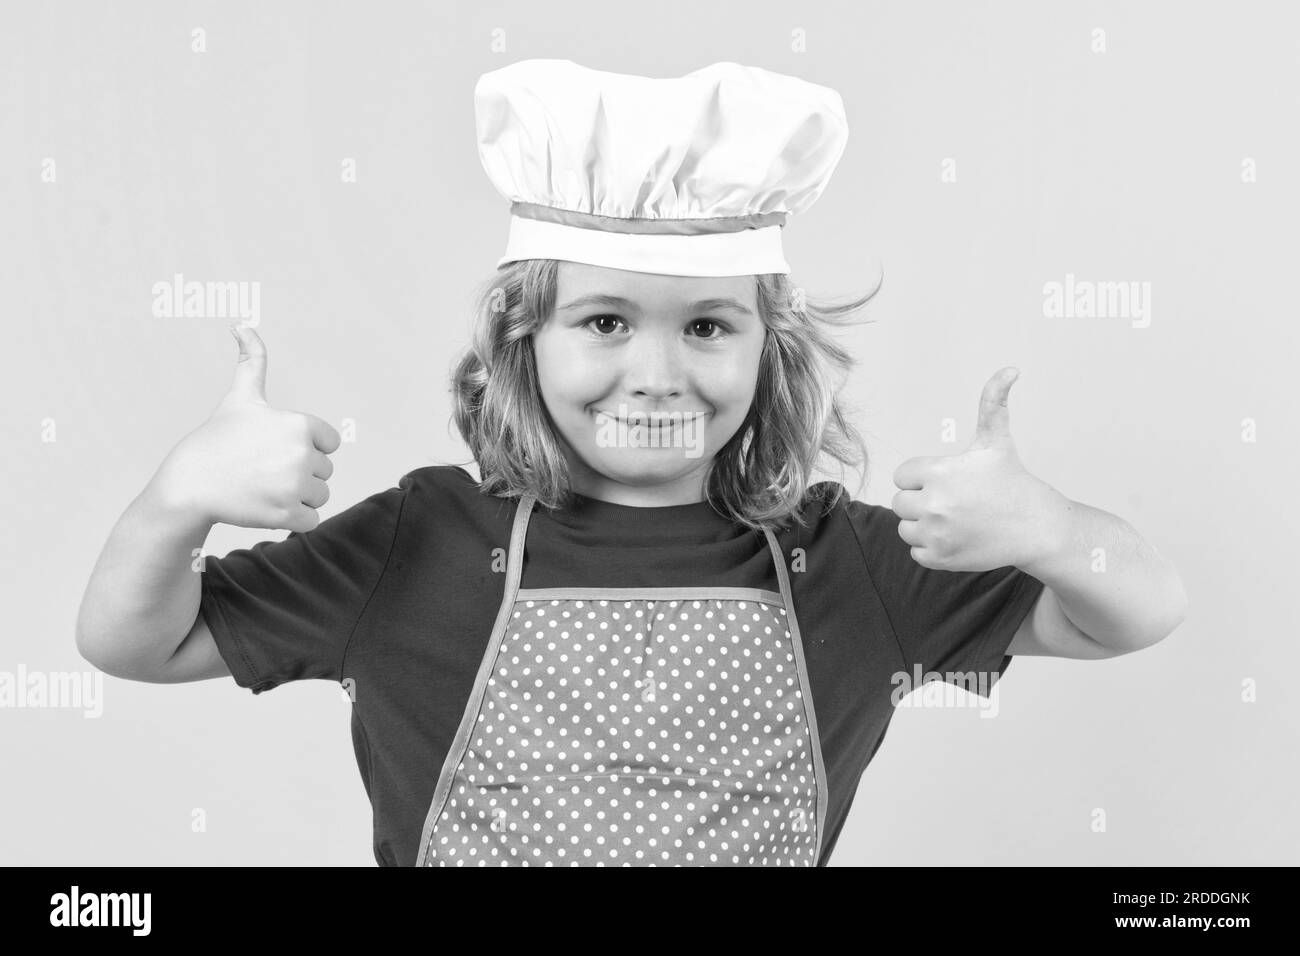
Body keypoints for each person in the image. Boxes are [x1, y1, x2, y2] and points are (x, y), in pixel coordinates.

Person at [75, 59, 1189, 867]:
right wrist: (178, 500)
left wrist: (1049, 528)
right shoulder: (418, 540)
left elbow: (1133, 610)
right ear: (524, 343)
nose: (656, 373)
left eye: (708, 326)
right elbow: (136, 639)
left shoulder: (840, 556)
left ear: (770, 351)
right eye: (605, 322)